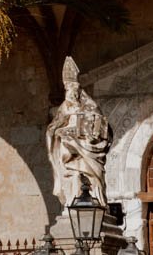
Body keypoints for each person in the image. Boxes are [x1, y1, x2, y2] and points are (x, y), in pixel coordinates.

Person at [47, 58, 111, 209]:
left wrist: (88, 134)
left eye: (75, 91)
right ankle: (73, 200)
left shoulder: (90, 106)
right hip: (69, 146)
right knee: (73, 173)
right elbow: (53, 128)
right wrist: (61, 132)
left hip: (87, 145)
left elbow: (100, 125)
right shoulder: (64, 108)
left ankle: (95, 198)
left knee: (94, 174)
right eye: (69, 91)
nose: (72, 95)